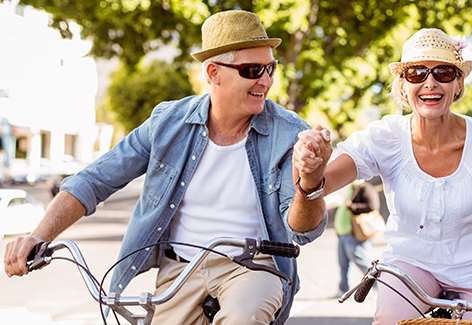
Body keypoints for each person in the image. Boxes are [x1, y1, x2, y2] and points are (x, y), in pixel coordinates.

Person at [4, 10, 328, 325]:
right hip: (180, 270)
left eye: (270, 68)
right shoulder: (167, 123)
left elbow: (302, 230)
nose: (267, 81)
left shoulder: (288, 133)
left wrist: (310, 183)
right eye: (253, 70)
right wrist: (37, 237)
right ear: (213, 72)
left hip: (253, 268)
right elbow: (94, 181)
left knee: (244, 317)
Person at [290, 28, 472, 325]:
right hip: (409, 264)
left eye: (443, 73)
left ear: (458, 84)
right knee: (388, 320)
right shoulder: (385, 137)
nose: (430, 83)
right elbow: (324, 183)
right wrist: (313, 165)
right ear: (402, 86)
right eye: (416, 73)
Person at [334, 179, 380, 297]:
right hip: (343, 233)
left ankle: (378, 286)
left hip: (354, 234)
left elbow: (372, 206)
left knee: (361, 261)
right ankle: (343, 289)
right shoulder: (353, 187)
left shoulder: (365, 187)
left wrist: (352, 206)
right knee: (343, 263)